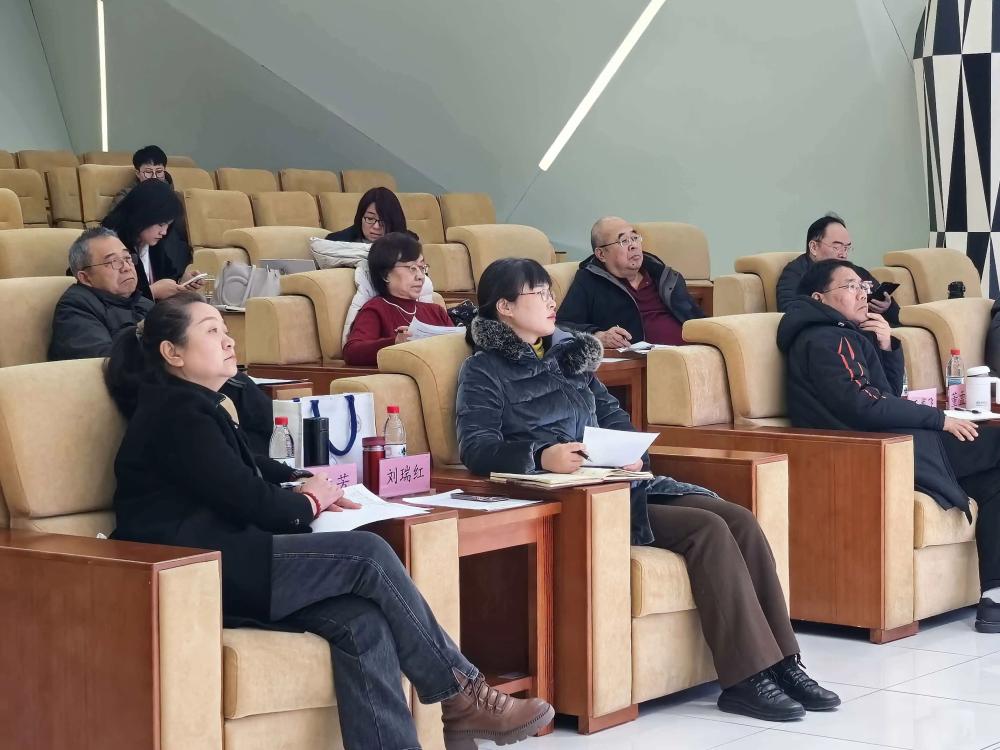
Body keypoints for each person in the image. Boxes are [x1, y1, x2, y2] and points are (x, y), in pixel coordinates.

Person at [104, 292, 553, 750]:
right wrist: (309, 503)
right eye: (212, 331)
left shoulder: (194, 405)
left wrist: (304, 480)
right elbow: (250, 500)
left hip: (228, 559)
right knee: (368, 555)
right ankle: (463, 695)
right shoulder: (176, 414)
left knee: (362, 620)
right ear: (172, 352)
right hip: (197, 572)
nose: (229, 340)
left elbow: (249, 468)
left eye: (225, 327)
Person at [456, 257, 840, 721]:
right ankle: (746, 679)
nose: (551, 301)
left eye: (550, 291)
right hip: (573, 500)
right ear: (505, 307)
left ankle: (784, 662)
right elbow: (477, 448)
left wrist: (631, 451)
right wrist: (541, 455)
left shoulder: (569, 356)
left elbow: (613, 417)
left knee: (739, 519)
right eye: (539, 294)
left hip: (617, 482)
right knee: (707, 530)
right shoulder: (484, 370)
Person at [777, 259, 1000, 633]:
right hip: (877, 451)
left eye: (863, 286)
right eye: (850, 286)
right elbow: (863, 405)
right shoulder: (825, 338)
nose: (862, 294)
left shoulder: (844, 334)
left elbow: (884, 393)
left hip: (889, 442)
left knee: (993, 484)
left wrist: (886, 345)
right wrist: (940, 419)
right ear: (819, 297)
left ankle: (993, 596)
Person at [50, 226, 276, 454]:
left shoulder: (141, 302)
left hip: (178, 382)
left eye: (127, 258)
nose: (126, 266)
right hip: (148, 393)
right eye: (113, 262)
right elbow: (103, 358)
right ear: (85, 277)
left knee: (236, 381)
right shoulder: (76, 307)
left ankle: (279, 451)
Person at [557, 216, 705, 349]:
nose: (633, 245)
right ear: (601, 254)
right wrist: (598, 336)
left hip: (693, 354)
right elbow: (562, 326)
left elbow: (699, 320)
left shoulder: (664, 276)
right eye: (624, 241)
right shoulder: (589, 280)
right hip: (641, 363)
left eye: (634, 238)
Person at [342, 232, 453, 366]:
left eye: (422, 268)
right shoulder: (376, 309)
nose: (420, 276)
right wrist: (395, 343)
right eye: (412, 268)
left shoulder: (436, 312)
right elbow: (352, 352)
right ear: (385, 274)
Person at [776, 214, 900, 325]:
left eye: (846, 248)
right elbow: (790, 311)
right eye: (837, 247)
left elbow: (897, 314)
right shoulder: (794, 273)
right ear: (814, 247)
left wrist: (886, 307)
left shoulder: (854, 271)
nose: (843, 254)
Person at [102, 178, 201, 301]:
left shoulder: (154, 243)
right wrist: (152, 292)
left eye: (168, 225)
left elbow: (167, 276)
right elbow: (109, 299)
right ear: (142, 215)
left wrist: (182, 282)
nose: (164, 232)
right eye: (160, 224)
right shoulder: (109, 244)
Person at [325, 187, 416, 243]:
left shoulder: (409, 245)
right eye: (370, 218)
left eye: (383, 220)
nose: (376, 226)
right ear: (361, 218)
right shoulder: (338, 242)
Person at [110, 145, 171, 210]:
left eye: (159, 171)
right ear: (138, 174)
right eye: (148, 172)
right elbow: (115, 216)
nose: (154, 177)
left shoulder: (174, 196)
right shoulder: (125, 197)